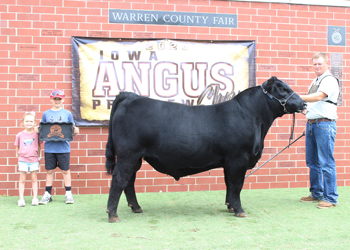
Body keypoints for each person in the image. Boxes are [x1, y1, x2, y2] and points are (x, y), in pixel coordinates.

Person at [299, 52, 339, 209]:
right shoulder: (315, 81)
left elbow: (318, 97)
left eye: (320, 63)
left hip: (324, 125)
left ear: (326, 63)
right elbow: (313, 104)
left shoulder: (329, 80)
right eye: (314, 64)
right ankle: (316, 193)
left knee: (326, 162)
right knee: (312, 161)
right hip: (312, 124)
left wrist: (297, 97)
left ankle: (330, 198)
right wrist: (308, 123)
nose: (317, 66)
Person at [36, 89, 79, 205]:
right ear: (51, 100)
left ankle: (68, 193)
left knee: (65, 171)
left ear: (63, 100)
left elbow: (72, 129)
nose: (57, 101)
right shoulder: (46, 114)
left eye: (59, 99)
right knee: (50, 171)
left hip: (63, 148)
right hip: (50, 148)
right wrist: (37, 130)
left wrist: (76, 130)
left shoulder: (67, 114)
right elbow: (42, 129)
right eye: (55, 99)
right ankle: (47, 194)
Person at [15, 112, 42, 207]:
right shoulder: (19, 135)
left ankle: (35, 198)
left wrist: (38, 157)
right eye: (27, 121)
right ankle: (21, 199)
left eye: (31, 121)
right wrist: (19, 157)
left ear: (34, 123)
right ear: (23, 123)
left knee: (34, 179)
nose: (29, 123)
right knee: (22, 179)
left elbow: (39, 146)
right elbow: (17, 147)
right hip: (23, 160)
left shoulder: (36, 135)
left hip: (34, 160)